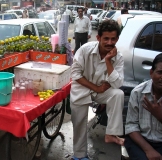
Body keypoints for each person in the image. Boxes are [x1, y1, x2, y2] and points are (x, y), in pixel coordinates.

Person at [70, 19, 124, 160]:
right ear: (98, 37)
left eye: (113, 39)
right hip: (82, 90)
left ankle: (110, 133)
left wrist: (108, 61)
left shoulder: (118, 57)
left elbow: (117, 84)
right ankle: (80, 156)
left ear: (117, 39)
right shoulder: (85, 50)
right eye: (106, 38)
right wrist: (97, 88)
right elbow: (75, 74)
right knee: (79, 123)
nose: (109, 42)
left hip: (101, 92)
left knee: (118, 94)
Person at [124, 53, 162, 160]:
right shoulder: (138, 92)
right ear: (151, 73)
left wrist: (160, 116)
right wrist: (149, 150)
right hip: (140, 140)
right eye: (160, 72)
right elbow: (131, 126)